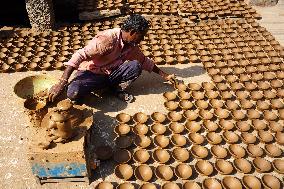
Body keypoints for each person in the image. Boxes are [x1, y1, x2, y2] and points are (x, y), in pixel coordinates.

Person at [48, 14, 175, 104]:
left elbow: (144, 61)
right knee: (73, 92)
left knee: (136, 66)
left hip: (110, 73)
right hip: (92, 73)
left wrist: (165, 76)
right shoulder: (107, 39)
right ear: (132, 32)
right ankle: (101, 87)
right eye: (141, 36)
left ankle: (113, 89)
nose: (142, 40)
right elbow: (79, 55)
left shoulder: (131, 45)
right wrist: (62, 82)